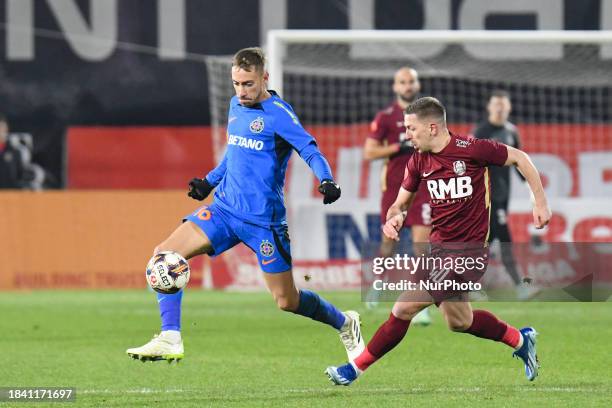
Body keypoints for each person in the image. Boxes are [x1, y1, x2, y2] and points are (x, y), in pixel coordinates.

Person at [127, 47, 365, 363]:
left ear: (264, 77)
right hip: (224, 210)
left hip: (263, 223)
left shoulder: (279, 114)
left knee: (286, 300)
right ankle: (171, 337)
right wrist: (209, 181)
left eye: (248, 84)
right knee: (164, 255)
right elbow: (234, 154)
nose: (242, 91)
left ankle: (345, 323)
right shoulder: (235, 107)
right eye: (237, 84)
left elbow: (309, 149)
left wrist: (327, 179)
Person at [326, 97, 551, 385]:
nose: (408, 135)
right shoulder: (418, 161)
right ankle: (521, 340)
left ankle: (354, 369)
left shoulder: (472, 150)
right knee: (460, 321)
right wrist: (394, 217)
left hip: (468, 253)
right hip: (438, 250)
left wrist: (540, 202)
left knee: (403, 308)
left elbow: (521, 158)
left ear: (432, 127)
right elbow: (400, 204)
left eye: (411, 128)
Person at [363, 67, 432, 325]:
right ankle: (378, 283)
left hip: (424, 188)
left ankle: (420, 304)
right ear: (395, 87)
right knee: (387, 244)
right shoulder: (386, 117)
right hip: (394, 190)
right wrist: (397, 146)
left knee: (422, 247)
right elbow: (369, 152)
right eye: (402, 82)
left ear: (417, 84)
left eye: (411, 81)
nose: (407, 86)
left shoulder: (429, 116)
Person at [472, 90, 538, 300]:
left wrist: (531, 188)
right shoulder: (480, 131)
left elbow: (520, 164)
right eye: (496, 105)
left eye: (503, 105)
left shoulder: (512, 132)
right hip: (485, 196)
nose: (500, 109)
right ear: (489, 107)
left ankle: (466, 284)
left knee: (488, 240)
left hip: (503, 196)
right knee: (503, 239)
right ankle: (520, 286)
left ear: (508, 108)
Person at [0, 113, 25, 189]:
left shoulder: (15, 152)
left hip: (10, 195)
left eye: (2, 128)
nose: (0, 131)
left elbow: (20, 175)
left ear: (7, 129)